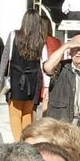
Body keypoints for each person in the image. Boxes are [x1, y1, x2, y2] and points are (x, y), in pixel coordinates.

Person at [5, 10, 48, 139]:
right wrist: (46, 86)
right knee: (28, 112)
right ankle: (26, 141)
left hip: (16, 78)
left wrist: (2, 79)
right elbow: (44, 63)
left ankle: (18, 141)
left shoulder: (14, 35)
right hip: (33, 79)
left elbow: (6, 57)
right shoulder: (41, 41)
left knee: (15, 113)